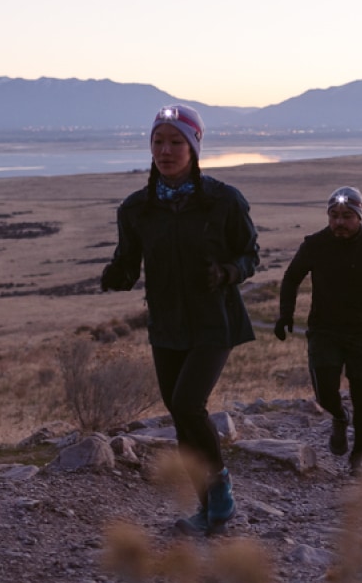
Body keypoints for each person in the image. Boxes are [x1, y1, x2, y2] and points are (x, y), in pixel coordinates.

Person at [100, 104, 259, 536]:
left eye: (176, 141)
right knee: (180, 413)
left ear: (193, 147)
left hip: (215, 321)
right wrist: (117, 276)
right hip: (167, 324)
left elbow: (250, 255)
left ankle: (220, 488)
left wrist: (227, 273)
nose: (166, 150)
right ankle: (208, 509)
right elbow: (128, 264)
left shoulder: (223, 200)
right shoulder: (136, 209)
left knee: (189, 403)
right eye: (158, 141)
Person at [274, 186, 362, 475]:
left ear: (360, 216)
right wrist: (284, 315)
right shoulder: (315, 244)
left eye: (347, 216)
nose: (339, 222)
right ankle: (339, 417)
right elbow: (291, 278)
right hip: (324, 330)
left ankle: (359, 455)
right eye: (334, 215)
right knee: (325, 394)